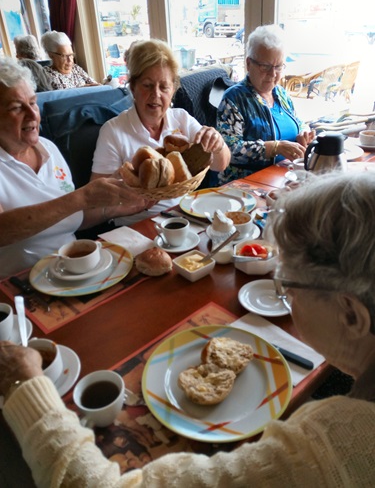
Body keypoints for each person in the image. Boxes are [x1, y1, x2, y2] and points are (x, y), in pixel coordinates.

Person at [1, 170, 375, 486]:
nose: (286, 295)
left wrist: (27, 387)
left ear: (353, 316)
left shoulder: (332, 446)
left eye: (289, 283)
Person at [0, 58, 149, 278]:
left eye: (32, 103)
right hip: (20, 284)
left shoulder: (48, 148)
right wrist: (82, 198)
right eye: (16, 108)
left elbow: (71, 217)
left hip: (71, 271)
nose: (32, 115)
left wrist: (120, 207)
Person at [90, 39, 230, 225]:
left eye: (164, 87)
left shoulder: (181, 118)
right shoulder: (113, 131)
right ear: (132, 87)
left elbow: (220, 164)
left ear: (173, 90)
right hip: (137, 226)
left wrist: (217, 144)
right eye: (147, 85)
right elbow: (94, 203)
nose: (156, 94)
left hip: (186, 216)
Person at [217, 24, 315, 184]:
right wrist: (274, 147)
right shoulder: (233, 99)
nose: (273, 74)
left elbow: (297, 122)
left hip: (285, 178)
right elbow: (229, 150)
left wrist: (304, 132)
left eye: (278, 66)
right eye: (265, 66)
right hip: (247, 185)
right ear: (248, 64)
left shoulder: (281, 93)